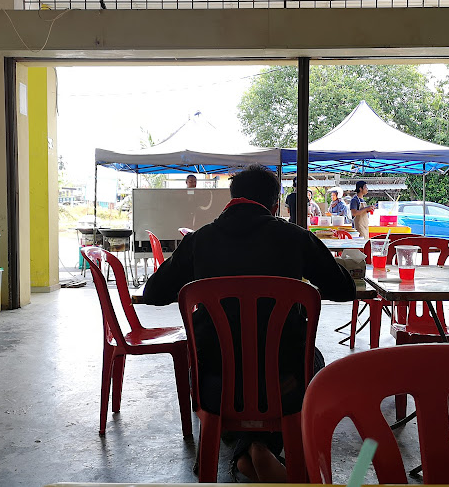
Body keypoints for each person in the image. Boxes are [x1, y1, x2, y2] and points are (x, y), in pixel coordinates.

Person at [143, 165, 355, 483]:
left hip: (215, 382)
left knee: (234, 381)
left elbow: (153, 293)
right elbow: (344, 290)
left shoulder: (200, 241)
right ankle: (258, 448)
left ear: (231, 199)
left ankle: (249, 449)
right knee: (314, 359)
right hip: (286, 382)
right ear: (274, 206)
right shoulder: (296, 238)